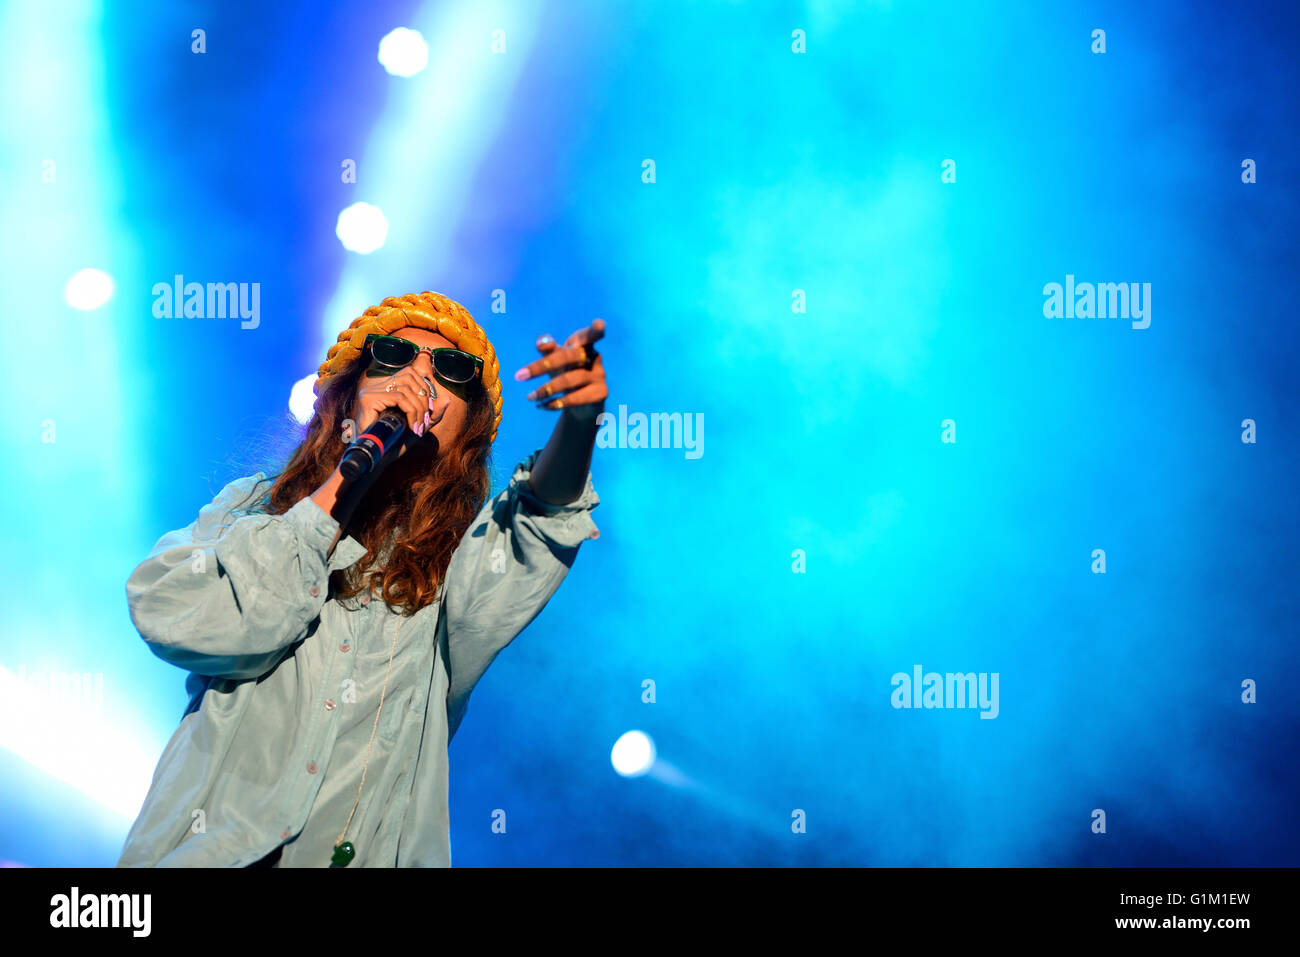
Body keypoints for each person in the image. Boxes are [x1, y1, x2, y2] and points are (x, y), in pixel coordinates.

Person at [116, 291, 607, 867]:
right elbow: (170, 613)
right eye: (394, 356)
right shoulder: (252, 509)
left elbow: (542, 517)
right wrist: (341, 486)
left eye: (449, 370)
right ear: (348, 395)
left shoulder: (460, 562)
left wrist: (578, 421)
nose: (418, 378)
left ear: (467, 430)